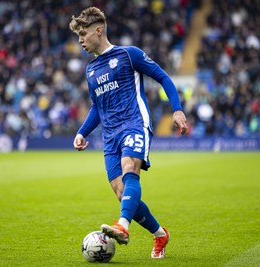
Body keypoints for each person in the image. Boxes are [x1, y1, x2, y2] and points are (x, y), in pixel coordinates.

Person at [70, 7, 188, 259]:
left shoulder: (128, 54)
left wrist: (176, 110)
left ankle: (122, 226)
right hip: (110, 135)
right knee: (122, 192)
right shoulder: (90, 70)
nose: (80, 40)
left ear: (98, 30)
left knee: (129, 167)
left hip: (135, 123)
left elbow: (164, 78)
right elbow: (96, 107)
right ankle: (159, 234)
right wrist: (82, 132)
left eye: (83, 34)